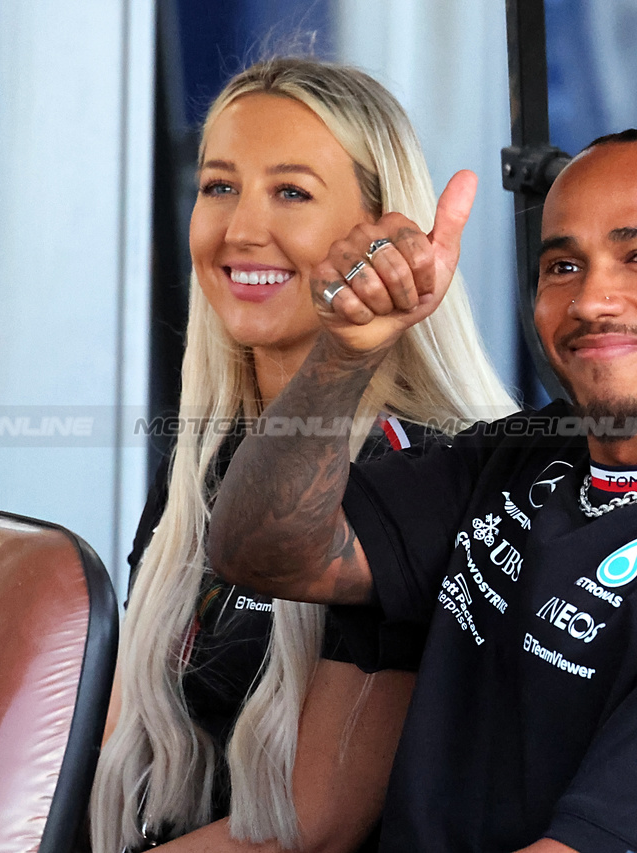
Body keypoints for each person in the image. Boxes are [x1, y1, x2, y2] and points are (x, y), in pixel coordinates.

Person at [208, 126, 637, 853]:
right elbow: (260, 551)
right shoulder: (529, 453)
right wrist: (345, 350)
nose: (591, 298)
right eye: (562, 265)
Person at [89, 58, 515, 853]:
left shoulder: (422, 471)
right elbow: (110, 748)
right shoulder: (206, 461)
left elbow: (311, 830)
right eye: (219, 186)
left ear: (386, 233)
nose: (242, 228)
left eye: (292, 192)